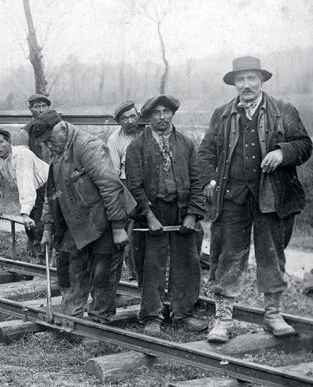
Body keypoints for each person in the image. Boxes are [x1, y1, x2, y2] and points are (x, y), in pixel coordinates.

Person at [198, 56, 311, 342]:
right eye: (240, 80)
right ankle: (223, 319)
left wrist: (283, 152)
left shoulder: (283, 110)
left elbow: (304, 145)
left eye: (251, 79)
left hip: (271, 196)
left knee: (272, 254)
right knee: (226, 257)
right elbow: (205, 153)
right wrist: (210, 179)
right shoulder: (222, 114)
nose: (246, 85)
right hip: (232, 197)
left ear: (261, 80)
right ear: (234, 84)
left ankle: (273, 314)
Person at [31, 109, 136, 323]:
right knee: (73, 270)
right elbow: (52, 193)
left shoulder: (89, 146)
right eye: (45, 143)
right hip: (78, 220)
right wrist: (48, 228)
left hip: (106, 218)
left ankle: (100, 320)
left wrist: (117, 228)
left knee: (102, 274)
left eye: (50, 140)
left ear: (62, 127)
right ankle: (72, 318)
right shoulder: (56, 149)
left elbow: (110, 187)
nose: (48, 146)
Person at [124, 95, 207, 336]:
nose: (161, 117)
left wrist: (192, 214)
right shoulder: (137, 147)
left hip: (181, 211)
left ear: (172, 114)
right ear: (148, 117)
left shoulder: (187, 144)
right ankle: (152, 315)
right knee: (152, 264)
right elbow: (134, 186)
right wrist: (148, 216)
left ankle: (183, 313)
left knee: (187, 262)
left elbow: (196, 181)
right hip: (152, 212)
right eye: (156, 113)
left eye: (166, 112)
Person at [0, 128, 49, 261]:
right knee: (30, 226)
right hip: (31, 189)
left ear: (9, 142)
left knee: (39, 223)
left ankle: (41, 259)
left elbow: (26, 184)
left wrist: (24, 214)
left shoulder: (21, 156)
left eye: (0, 142)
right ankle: (32, 253)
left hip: (47, 185)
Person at [106, 101, 145, 281]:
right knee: (131, 232)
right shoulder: (115, 139)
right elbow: (113, 172)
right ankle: (134, 272)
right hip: (126, 185)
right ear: (119, 122)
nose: (129, 121)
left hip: (149, 183)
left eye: (132, 116)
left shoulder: (148, 132)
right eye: (124, 118)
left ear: (138, 115)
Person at [13, 94, 53, 162]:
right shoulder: (24, 133)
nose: (41, 110)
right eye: (37, 107)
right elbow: (22, 162)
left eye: (44, 106)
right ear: (30, 109)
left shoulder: (55, 129)